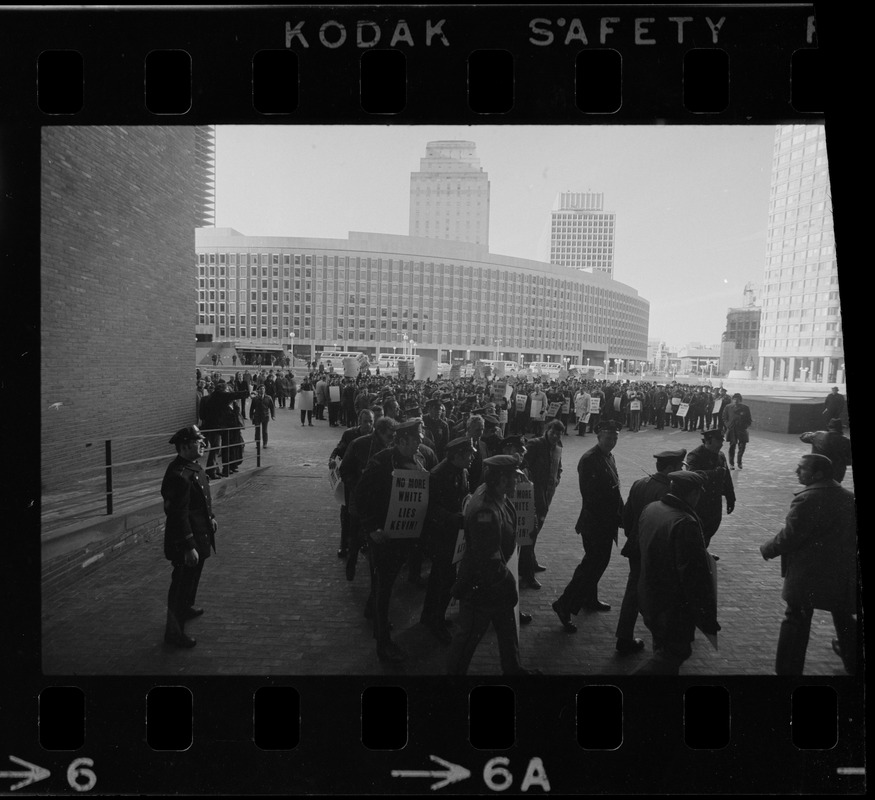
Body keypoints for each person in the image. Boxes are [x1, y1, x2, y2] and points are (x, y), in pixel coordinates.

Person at [759, 454, 858, 676]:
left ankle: (787, 671)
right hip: (840, 572)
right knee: (842, 616)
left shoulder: (808, 499)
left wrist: (768, 549)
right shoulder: (848, 497)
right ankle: (855, 664)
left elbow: (790, 536)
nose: (797, 472)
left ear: (818, 474)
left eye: (801, 469)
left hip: (808, 573)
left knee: (796, 618)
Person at [446, 455, 540, 676]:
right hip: (484, 588)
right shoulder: (485, 512)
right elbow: (488, 560)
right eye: (513, 478)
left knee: (508, 631)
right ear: (500, 479)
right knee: (467, 640)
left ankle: (514, 670)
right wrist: (508, 585)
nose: (517, 482)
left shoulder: (497, 495)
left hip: (496, 584)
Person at [355, 418, 429, 663]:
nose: (420, 442)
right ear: (401, 440)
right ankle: (383, 643)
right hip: (383, 536)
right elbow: (359, 497)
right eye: (416, 439)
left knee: (384, 582)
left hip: (403, 537)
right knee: (385, 586)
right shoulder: (381, 462)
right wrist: (372, 528)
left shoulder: (417, 460)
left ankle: (372, 611)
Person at [635, 470, 718, 674]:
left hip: (648, 594)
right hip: (672, 607)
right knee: (675, 652)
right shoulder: (685, 523)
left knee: (661, 647)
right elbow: (693, 577)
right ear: (693, 494)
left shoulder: (652, 508)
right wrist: (706, 617)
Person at [551, 420, 624, 633]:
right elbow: (591, 497)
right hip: (596, 522)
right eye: (608, 438)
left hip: (606, 521)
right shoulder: (590, 459)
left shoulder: (607, 456)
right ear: (599, 437)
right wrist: (612, 516)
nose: (612, 442)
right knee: (593, 564)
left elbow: (615, 488)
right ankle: (564, 604)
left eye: (615, 438)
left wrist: (622, 513)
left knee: (596, 562)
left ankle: (590, 599)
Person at [614, 448, 687, 656]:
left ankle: (624, 635)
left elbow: (626, 517)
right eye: (679, 467)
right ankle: (661, 641)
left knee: (633, 590)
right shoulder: (669, 492)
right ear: (671, 468)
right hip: (657, 553)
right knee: (657, 595)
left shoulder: (639, 484)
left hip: (636, 546)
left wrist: (634, 536)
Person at [161, 425, 218, 648]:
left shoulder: (191, 467)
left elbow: (200, 500)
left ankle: (187, 607)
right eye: (198, 441)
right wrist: (188, 546)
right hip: (187, 540)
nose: (203, 444)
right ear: (185, 446)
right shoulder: (179, 475)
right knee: (181, 586)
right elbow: (177, 514)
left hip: (199, 532)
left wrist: (210, 515)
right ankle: (174, 634)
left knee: (192, 578)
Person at [419, 436, 476, 644]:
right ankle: (436, 621)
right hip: (440, 536)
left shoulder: (461, 470)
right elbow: (430, 507)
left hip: (452, 534)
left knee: (440, 579)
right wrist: (452, 517)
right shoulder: (438, 475)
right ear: (457, 455)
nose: (472, 458)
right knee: (444, 580)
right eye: (469, 454)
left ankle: (430, 616)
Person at [339, 416, 396, 580]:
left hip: (379, 503)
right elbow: (345, 470)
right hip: (359, 499)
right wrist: (358, 486)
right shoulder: (359, 444)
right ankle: (351, 562)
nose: (392, 440)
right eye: (389, 436)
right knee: (355, 534)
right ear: (379, 432)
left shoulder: (391, 448)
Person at [519, 418, 564, 590]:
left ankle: (531, 560)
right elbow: (523, 464)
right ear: (547, 430)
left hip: (547, 494)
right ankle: (527, 573)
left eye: (558, 434)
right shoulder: (535, 444)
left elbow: (558, 465)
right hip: (534, 494)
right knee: (530, 532)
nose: (555, 436)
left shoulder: (558, 446)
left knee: (537, 530)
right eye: (553, 433)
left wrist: (558, 477)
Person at [329, 409, 376, 560]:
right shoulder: (350, 435)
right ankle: (344, 544)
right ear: (359, 422)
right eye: (365, 421)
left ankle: (363, 543)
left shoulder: (376, 436)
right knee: (347, 513)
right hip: (352, 481)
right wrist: (332, 458)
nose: (368, 424)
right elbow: (339, 449)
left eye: (370, 421)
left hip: (368, 483)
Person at [683, 428, 735, 549]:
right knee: (699, 529)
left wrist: (731, 497)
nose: (722, 444)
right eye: (719, 441)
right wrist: (714, 473)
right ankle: (698, 553)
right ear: (709, 440)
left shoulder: (721, 456)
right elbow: (693, 475)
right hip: (700, 502)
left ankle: (703, 550)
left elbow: (726, 478)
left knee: (712, 527)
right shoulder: (695, 455)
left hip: (715, 501)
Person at [799, 419, 853, 483]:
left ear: (829, 427)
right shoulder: (846, 441)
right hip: (837, 472)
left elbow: (802, 437)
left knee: (816, 486)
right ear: (841, 428)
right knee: (833, 489)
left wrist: (814, 434)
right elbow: (849, 461)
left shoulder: (818, 435)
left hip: (817, 469)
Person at [722, 393, 752, 469]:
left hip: (741, 430)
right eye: (734, 399)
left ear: (740, 400)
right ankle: (731, 463)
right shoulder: (728, 407)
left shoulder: (745, 408)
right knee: (732, 446)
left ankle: (739, 462)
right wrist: (728, 425)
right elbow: (724, 417)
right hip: (732, 429)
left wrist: (745, 426)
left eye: (737, 399)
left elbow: (749, 420)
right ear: (732, 400)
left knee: (742, 446)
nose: (735, 401)